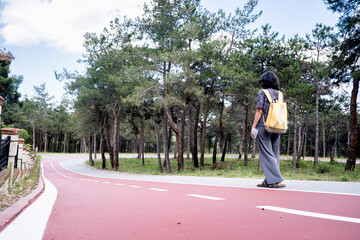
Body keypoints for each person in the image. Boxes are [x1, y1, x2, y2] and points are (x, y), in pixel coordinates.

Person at [251, 71, 286, 188]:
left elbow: (259, 110)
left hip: (264, 125)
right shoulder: (280, 94)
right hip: (277, 126)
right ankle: (268, 180)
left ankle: (278, 180)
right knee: (274, 153)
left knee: (266, 153)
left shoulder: (262, 93)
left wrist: (253, 126)